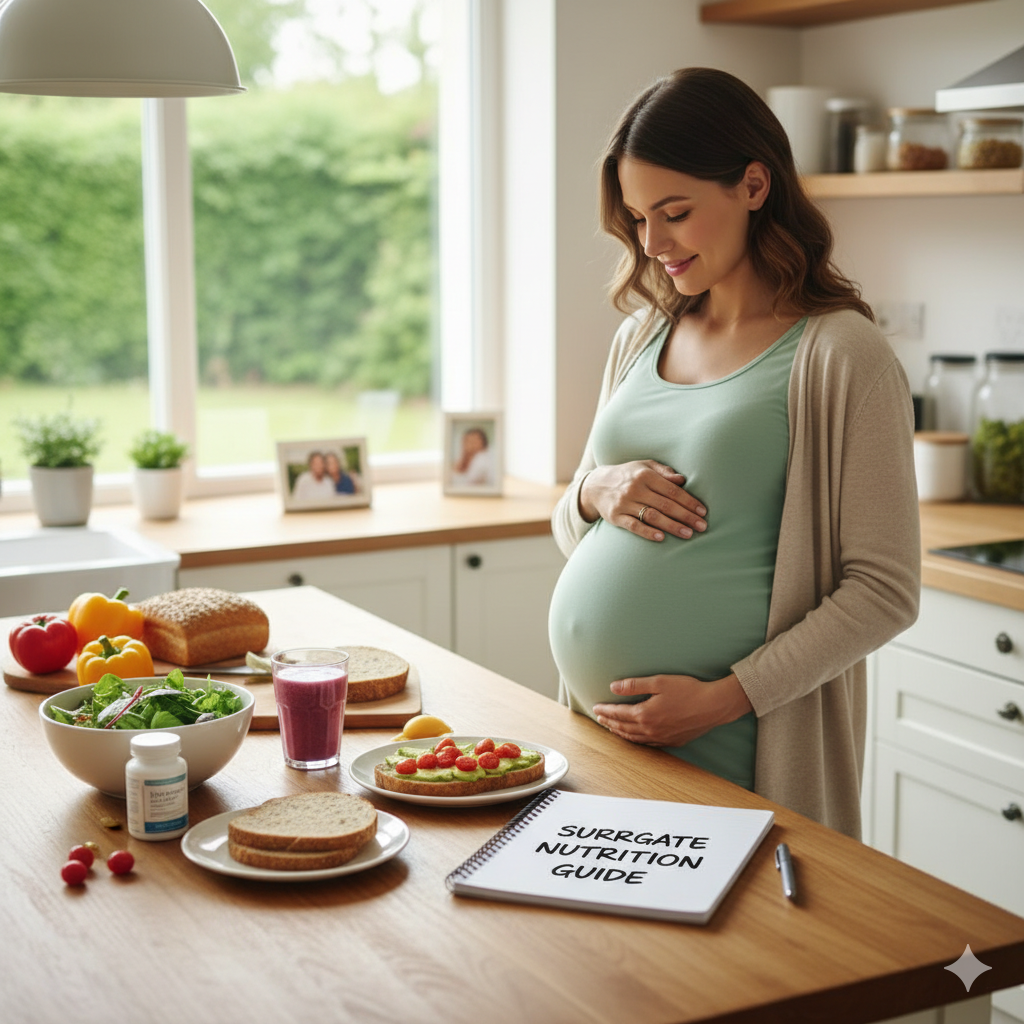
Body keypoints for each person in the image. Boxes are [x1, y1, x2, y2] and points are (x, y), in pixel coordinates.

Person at [548, 67, 920, 840]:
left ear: (754, 184)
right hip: (600, 739)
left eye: (675, 212)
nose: (653, 243)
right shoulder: (641, 335)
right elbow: (573, 525)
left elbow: (885, 590)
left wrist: (724, 697)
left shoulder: (842, 355)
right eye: (639, 217)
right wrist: (593, 492)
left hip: (737, 748)